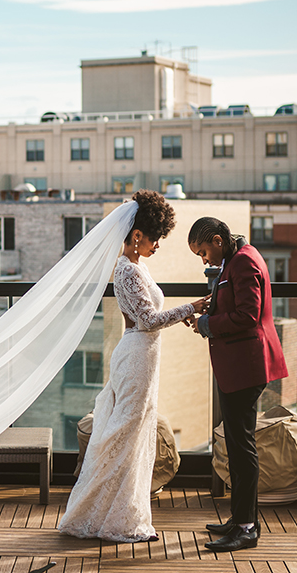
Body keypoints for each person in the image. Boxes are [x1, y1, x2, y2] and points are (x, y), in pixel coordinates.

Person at [59, 190, 208, 543]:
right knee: (125, 432)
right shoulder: (126, 270)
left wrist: (184, 313)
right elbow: (147, 320)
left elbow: (151, 317)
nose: (158, 245)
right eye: (155, 237)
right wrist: (191, 308)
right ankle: (104, 517)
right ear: (137, 235)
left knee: (135, 432)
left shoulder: (137, 265)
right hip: (137, 356)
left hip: (144, 356)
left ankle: (120, 514)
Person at [185, 217, 289, 553]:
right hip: (241, 365)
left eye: (203, 252)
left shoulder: (243, 261)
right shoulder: (236, 257)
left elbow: (248, 315)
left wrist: (207, 324)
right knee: (237, 445)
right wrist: (209, 311)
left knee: (242, 449)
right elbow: (237, 303)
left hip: (246, 367)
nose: (204, 260)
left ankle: (246, 528)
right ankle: (241, 518)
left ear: (217, 240)